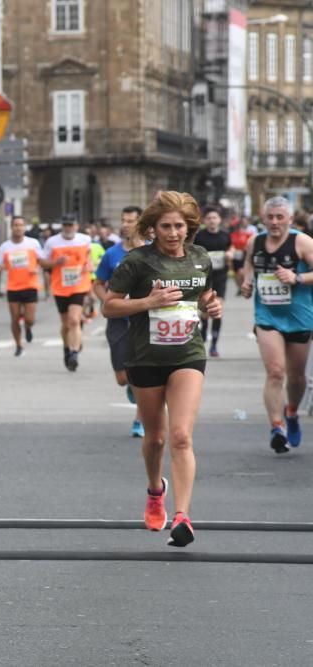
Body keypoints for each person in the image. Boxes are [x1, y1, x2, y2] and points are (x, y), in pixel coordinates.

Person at [102, 191, 221, 548]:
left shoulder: (200, 258)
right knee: (155, 438)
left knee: (181, 435)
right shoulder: (138, 261)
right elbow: (109, 306)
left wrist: (211, 306)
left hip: (188, 355)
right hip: (145, 358)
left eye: (178, 226)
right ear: (153, 228)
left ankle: (182, 516)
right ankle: (156, 490)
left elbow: (204, 296)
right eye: (165, 226)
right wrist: (148, 302)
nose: (173, 233)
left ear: (188, 227)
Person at [240, 196, 313, 454]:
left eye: (280, 217)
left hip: (299, 317)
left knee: (296, 377)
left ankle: (291, 412)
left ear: (290, 219)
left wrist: (297, 277)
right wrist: (247, 282)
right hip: (267, 317)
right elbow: (249, 264)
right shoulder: (255, 241)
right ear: (263, 218)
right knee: (275, 372)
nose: (274, 222)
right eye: (270, 217)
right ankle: (276, 427)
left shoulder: (302, 242)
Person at [94, 205, 146, 437]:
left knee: (142, 371)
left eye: (131, 220)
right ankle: (133, 388)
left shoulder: (151, 252)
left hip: (144, 319)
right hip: (118, 321)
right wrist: (108, 302)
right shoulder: (112, 254)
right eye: (123, 220)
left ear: (141, 223)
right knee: (122, 378)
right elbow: (98, 283)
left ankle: (140, 420)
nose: (125, 225)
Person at [39, 216, 92, 371]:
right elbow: (42, 263)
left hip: (79, 285)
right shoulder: (52, 242)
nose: (68, 228)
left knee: (74, 320)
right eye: (65, 225)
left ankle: (74, 354)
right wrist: (55, 262)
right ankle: (66, 348)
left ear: (76, 226)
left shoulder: (85, 239)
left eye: (71, 225)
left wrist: (89, 265)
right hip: (60, 287)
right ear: (62, 227)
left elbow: (88, 258)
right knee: (66, 324)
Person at [0, 215, 42, 356]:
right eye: (16, 225)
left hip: (30, 285)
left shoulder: (33, 243)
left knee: (30, 319)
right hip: (13, 287)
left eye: (21, 225)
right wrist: (0, 267)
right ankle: (18, 345)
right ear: (11, 227)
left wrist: (37, 268)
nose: (18, 228)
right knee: (14, 318)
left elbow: (42, 260)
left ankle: (28, 327)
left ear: (25, 227)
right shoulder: (5, 247)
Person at [193, 207, 232, 357]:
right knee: (205, 311)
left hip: (220, 277)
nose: (212, 221)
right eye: (209, 218)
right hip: (204, 276)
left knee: (217, 309)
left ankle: (214, 345)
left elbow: (231, 247)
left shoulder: (225, 235)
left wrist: (230, 254)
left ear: (219, 220)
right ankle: (203, 331)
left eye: (214, 218)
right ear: (204, 220)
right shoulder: (199, 237)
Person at [230, 216, 257, 295]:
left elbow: (253, 241)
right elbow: (229, 244)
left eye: (240, 227)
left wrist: (246, 248)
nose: (239, 229)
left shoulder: (246, 234)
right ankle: (239, 287)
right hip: (235, 256)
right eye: (237, 228)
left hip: (243, 256)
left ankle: (243, 286)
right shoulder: (232, 235)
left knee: (241, 272)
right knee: (236, 274)